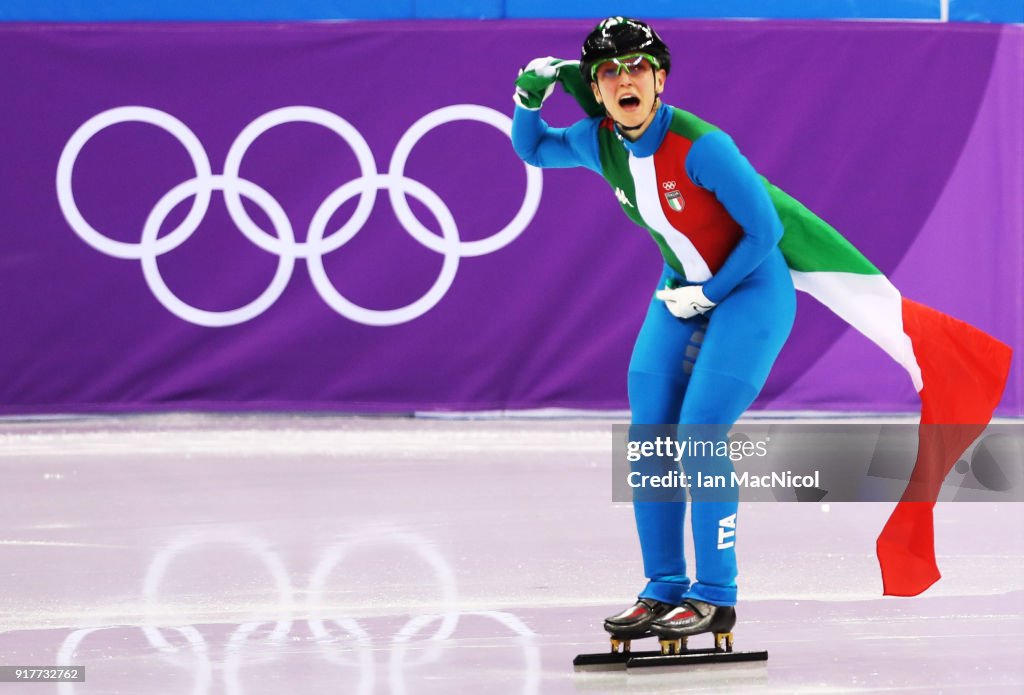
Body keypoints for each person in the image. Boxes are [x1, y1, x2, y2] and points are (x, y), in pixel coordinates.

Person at [510, 16, 796, 652]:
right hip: (680, 290)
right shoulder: (598, 140)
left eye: (637, 66)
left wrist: (711, 293)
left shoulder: (703, 146)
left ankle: (716, 598)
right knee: (648, 442)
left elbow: (765, 233)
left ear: (660, 78)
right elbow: (532, 149)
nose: (624, 79)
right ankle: (664, 586)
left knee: (699, 435)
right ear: (597, 87)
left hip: (749, 291)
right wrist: (527, 100)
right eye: (608, 72)